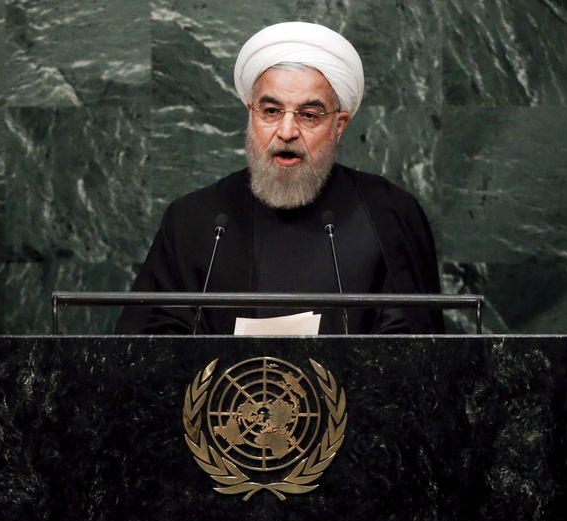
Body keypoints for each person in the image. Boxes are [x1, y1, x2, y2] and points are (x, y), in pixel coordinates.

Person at [116, 21, 444, 334]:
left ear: (339, 125)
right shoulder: (194, 218)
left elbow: (412, 354)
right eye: (271, 112)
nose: (286, 132)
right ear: (251, 113)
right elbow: (149, 352)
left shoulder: (388, 213)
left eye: (308, 115)